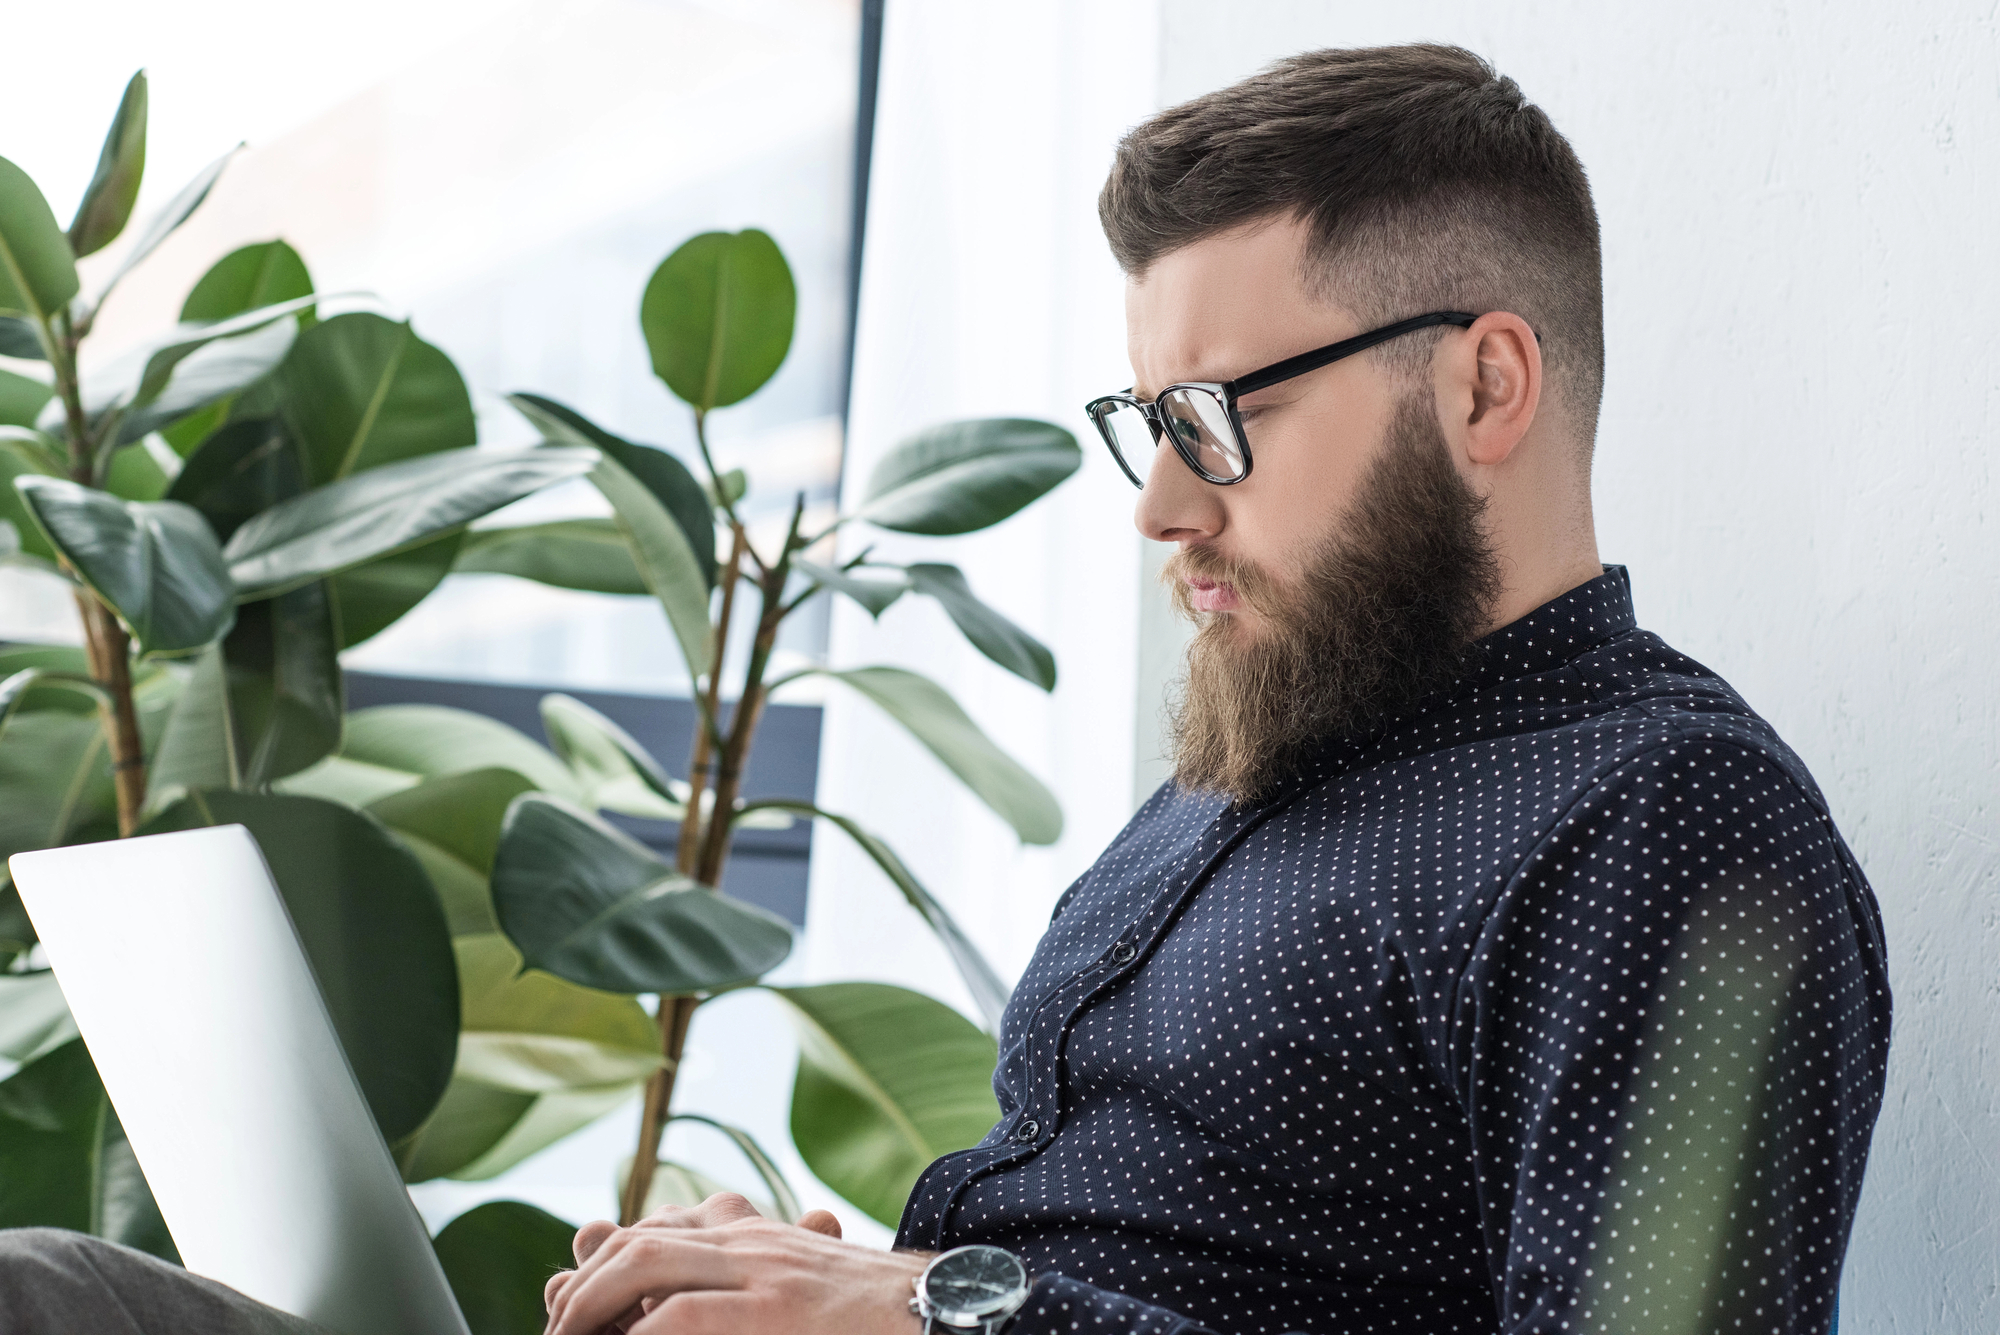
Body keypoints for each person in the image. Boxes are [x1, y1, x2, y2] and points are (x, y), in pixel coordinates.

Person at [0, 42, 1888, 1335]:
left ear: (1485, 386)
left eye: (1220, 419)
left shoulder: (1663, 825)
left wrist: (945, 1307)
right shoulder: (1257, 756)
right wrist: (807, 1278)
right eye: (1146, 425)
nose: (1161, 502)